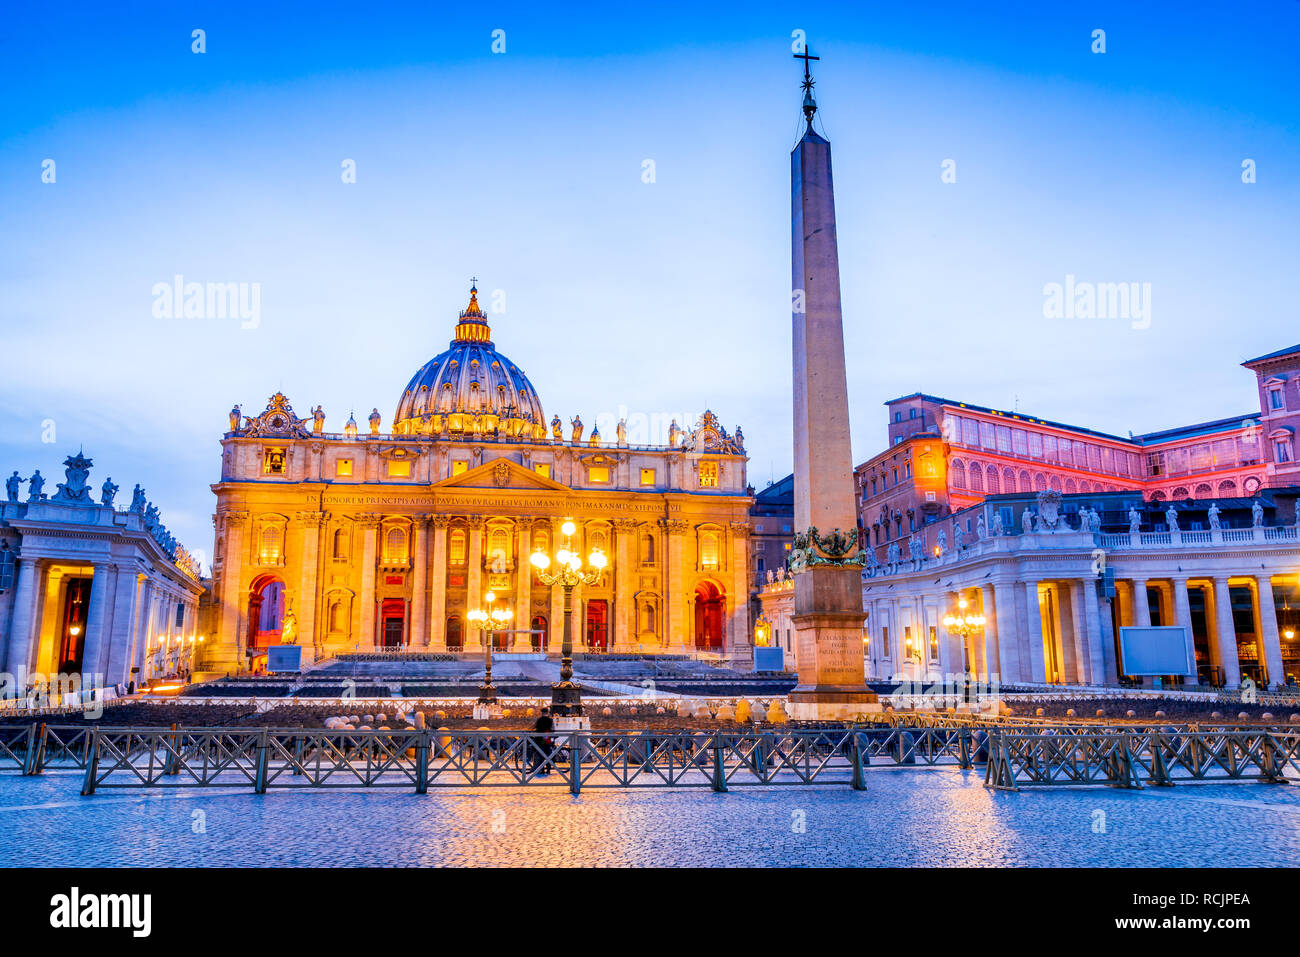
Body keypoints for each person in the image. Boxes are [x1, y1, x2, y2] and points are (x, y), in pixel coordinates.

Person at [531, 707, 555, 775]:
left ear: (542, 713)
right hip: (547, 739)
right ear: (547, 712)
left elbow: (535, 727)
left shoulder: (539, 720)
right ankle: (548, 769)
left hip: (539, 739)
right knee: (548, 755)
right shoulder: (550, 720)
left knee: (541, 754)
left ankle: (542, 769)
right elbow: (553, 729)